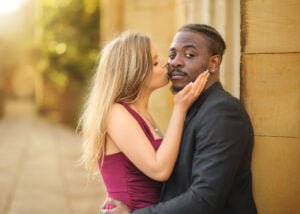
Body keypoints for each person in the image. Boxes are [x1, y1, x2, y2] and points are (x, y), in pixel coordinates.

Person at [105, 24, 257, 214]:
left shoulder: (223, 112)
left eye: (189, 55)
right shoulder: (190, 108)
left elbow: (205, 199)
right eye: (172, 55)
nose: (174, 63)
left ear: (213, 63)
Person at [78, 32, 209, 212]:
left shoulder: (142, 113)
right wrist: (180, 108)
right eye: (155, 62)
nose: (166, 62)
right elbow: (159, 170)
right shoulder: (116, 113)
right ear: (135, 74)